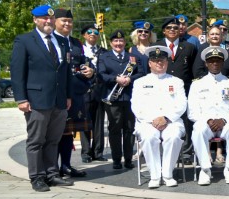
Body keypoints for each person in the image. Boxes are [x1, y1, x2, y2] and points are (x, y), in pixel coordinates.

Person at [12, 5, 74, 192]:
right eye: (43, 19)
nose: (48, 21)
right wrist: (21, 98)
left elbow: (66, 73)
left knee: (53, 140)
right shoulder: (24, 40)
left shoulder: (62, 42)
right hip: (36, 100)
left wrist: (68, 95)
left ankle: (52, 174)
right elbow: (17, 72)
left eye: (50, 18)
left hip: (59, 100)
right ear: (35, 20)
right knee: (36, 140)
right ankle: (37, 177)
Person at [131, 45, 187, 189]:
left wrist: (166, 118)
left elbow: (182, 105)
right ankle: (155, 176)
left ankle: (167, 174)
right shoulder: (140, 83)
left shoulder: (176, 82)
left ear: (167, 62)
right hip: (147, 122)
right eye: (155, 60)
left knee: (173, 136)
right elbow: (136, 106)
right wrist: (153, 120)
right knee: (149, 137)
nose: (159, 63)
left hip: (171, 121)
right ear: (150, 63)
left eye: (162, 60)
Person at [188, 47, 229, 185]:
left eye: (218, 61)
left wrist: (224, 120)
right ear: (206, 63)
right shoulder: (197, 85)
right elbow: (193, 110)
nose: (215, 64)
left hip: (226, 123)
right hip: (207, 123)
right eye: (211, 61)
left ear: (223, 63)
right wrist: (208, 120)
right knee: (198, 130)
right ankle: (205, 169)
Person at [51, 8, 93, 179]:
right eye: (63, 21)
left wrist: (91, 71)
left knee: (68, 131)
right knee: (55, 132)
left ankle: (66, 166)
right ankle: (52, 168)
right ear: (55, 22)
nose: (67, 24)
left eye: (69, 21)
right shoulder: (51, 41)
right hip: (57, 94)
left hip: (75, 92)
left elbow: (84, 62)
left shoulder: (76, 43)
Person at [98, 29, 147, 170]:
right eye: (115, 41)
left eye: (121, 41)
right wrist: (116, 79)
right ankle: (116, 160)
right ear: (111, 43)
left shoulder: (132, 57)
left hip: (130, 98)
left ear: (125, 42)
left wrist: (130, 79)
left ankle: (128, 159)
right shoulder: (104, 57)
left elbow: (141, 73)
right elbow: (101, 75)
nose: (118, 43)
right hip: (113, 99)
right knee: (114, 129)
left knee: (129, 129)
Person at [79, 23, 105, 164]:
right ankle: (86, 152)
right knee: (84, 123)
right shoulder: (79, 51)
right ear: (84, 35)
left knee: (99, 122)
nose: (93, 34)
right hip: (83, 91)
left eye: (96, 32)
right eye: (89, 32)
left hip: (98, 91)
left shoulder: (103, 51)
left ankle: (98, 151)